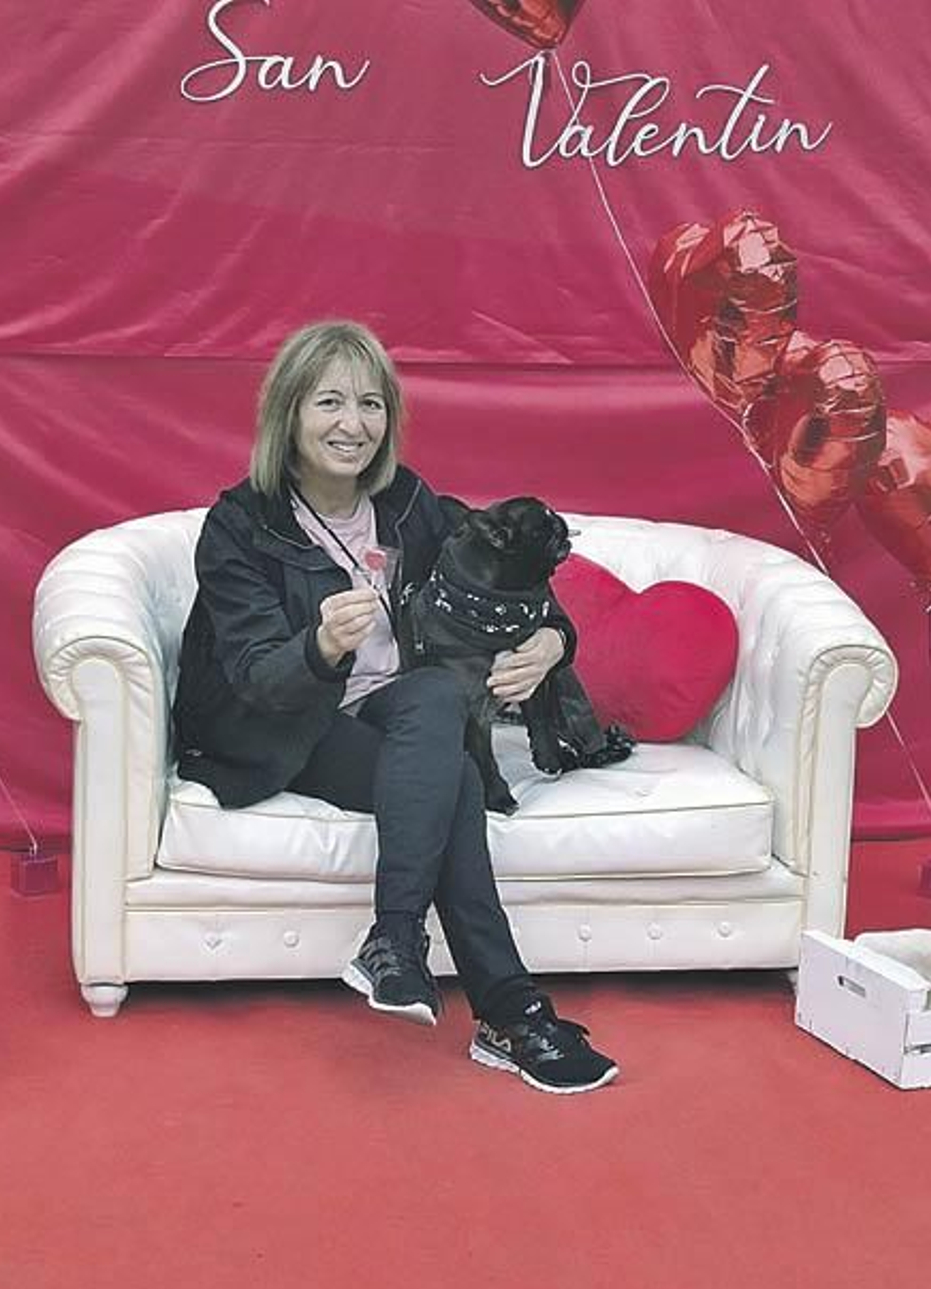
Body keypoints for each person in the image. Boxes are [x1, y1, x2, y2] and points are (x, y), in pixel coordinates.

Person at [173, 320, 618, 1094]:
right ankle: (511, 1011)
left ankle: (394, 940)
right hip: (282, 726)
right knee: (459, 779)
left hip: (400, 713)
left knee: (440, 696)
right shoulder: (242, 526)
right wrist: (318, 646)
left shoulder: (410, 505)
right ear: (289, 413)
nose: (353, 424)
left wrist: (553, 641)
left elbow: (516, 580)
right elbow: (254, 680)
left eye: (371, 404)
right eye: (330, 403)